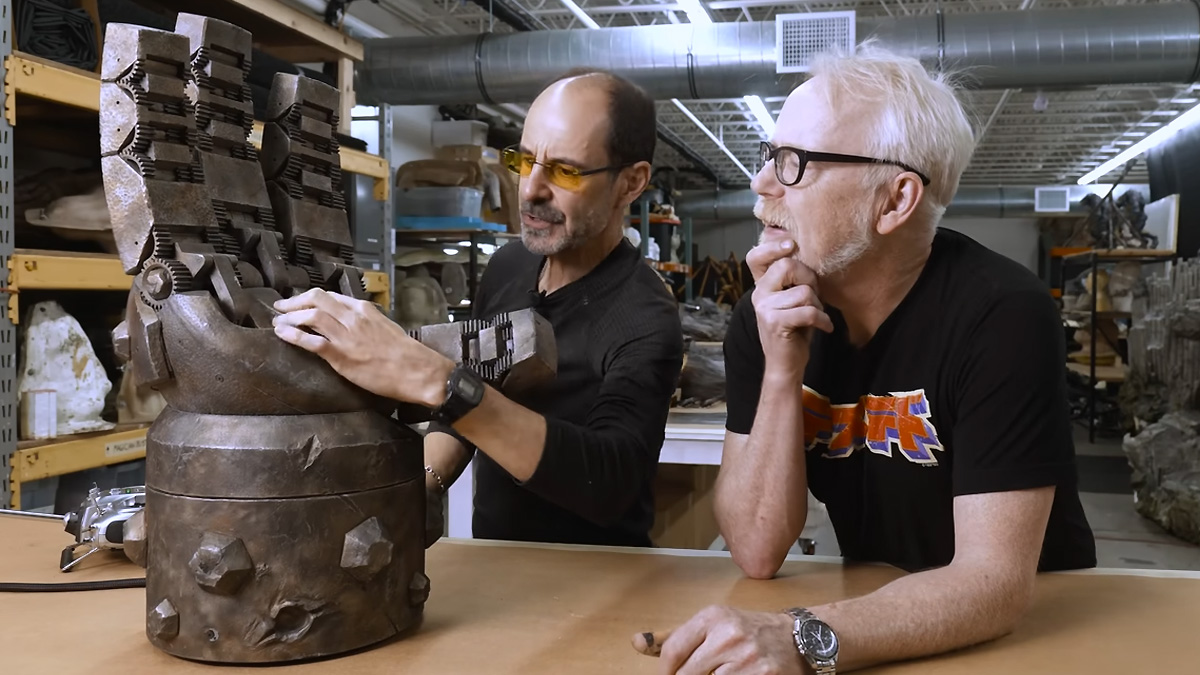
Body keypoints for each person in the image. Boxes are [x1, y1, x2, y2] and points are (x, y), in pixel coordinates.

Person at [636, 44, 1096, 674]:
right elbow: (756, 547)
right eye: (770, 156)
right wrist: (780, 373)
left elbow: (993, 582)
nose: (761, 183)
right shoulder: (767, 315)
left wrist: (798, 637)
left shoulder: (1002, 315)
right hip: (881, 612)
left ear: (895, 200)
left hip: (1036, 632)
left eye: (795, 163)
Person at [272, 68, 684, 549]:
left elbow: (610, 481)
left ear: (630, 183)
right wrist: (421, 484)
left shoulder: (645, 314)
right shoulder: (510, 266)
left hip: (598, 576)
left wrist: (433, 379)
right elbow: (469, 406)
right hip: (497, 562)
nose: (530, 189)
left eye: (566, 170)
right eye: (525, 160)